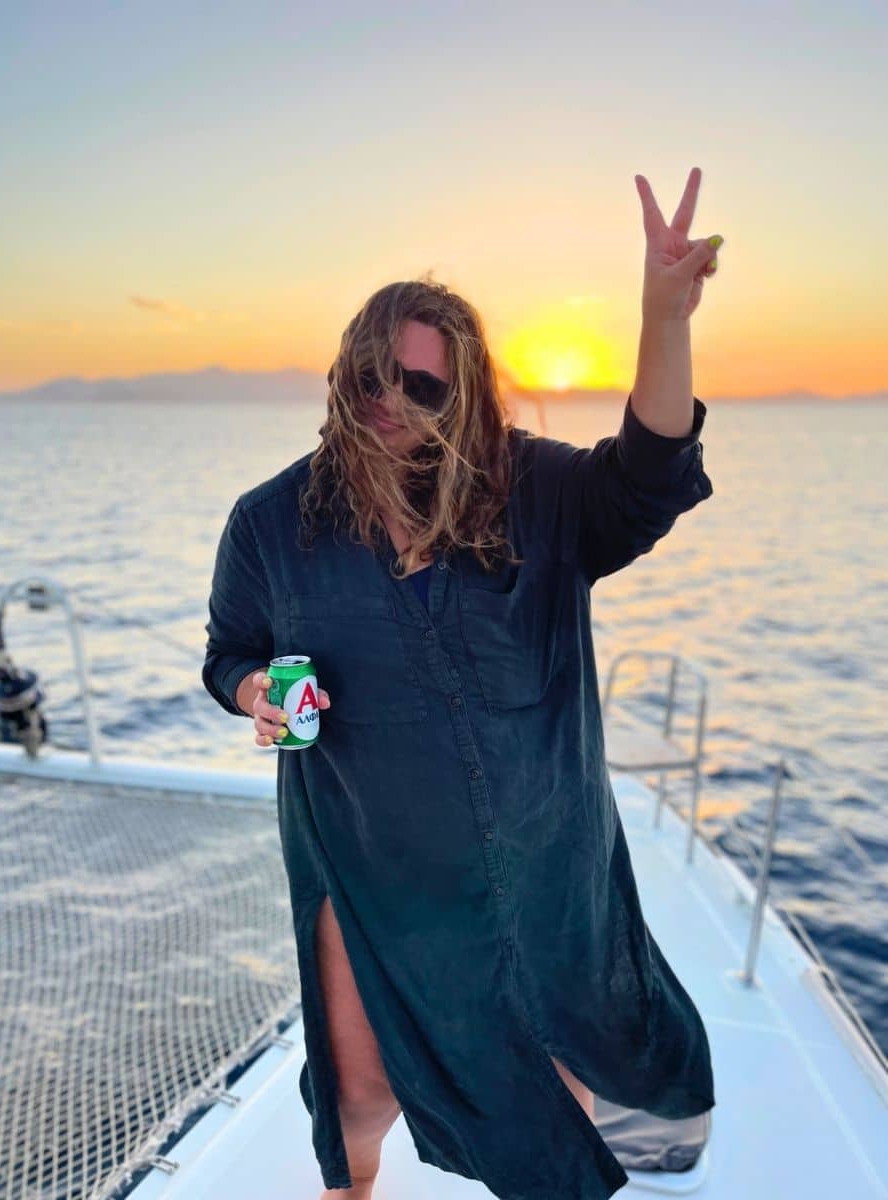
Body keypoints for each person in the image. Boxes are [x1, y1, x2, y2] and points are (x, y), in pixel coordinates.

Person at [203, 169, 721, 1200]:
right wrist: (257, 691)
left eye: (425, 386)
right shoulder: (270, 521)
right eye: (372, 380)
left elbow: (650, 472)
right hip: (369, 863)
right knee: (354, 1095)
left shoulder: (537, 494)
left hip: (540, 859)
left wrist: (664, 314)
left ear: (467, 393)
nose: (393, 404)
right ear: (345, 377)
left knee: (548, 1074)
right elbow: (228, 652)